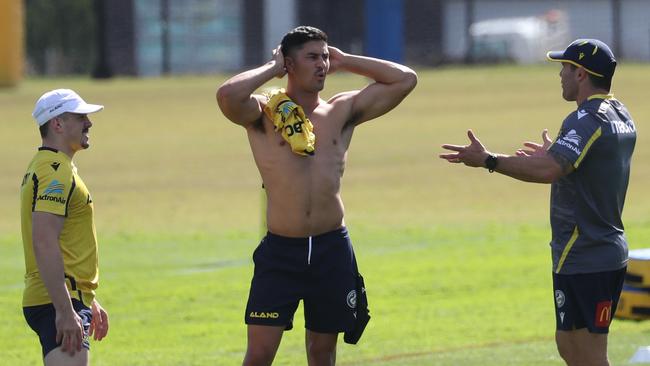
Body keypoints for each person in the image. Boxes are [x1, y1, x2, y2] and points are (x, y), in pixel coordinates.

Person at [217, 26, 417, 365]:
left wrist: (347, 60)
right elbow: (226, 95)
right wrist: (270, 68)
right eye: (312, 57)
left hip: (331, 247)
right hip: (282, 250)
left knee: (322, 352)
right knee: (260, 353)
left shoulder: (341, 111)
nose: (322, 64)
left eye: (325, 56)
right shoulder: (263, 113)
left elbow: (405, 79)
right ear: (289, 63)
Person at [440, 39, 635, 366]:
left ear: (582, 74)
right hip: (587, 252)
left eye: (565, 67)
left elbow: (549, 170)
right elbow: (588, 164)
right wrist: (557, 154)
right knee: (569, 346)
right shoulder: (619, 113)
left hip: (588, 252)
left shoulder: (586, 119)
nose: (560, 74)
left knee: (589, 355)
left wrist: (489, 159)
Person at [20, 89, 110, 366]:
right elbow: (44, 240)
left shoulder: (47, 166)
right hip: (55, 299)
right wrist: (64, 308)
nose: (89, 123)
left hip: (62, 295)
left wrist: (85, 297)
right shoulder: (55, 171)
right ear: (57, 124)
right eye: (80, 117)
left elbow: (62, 240)